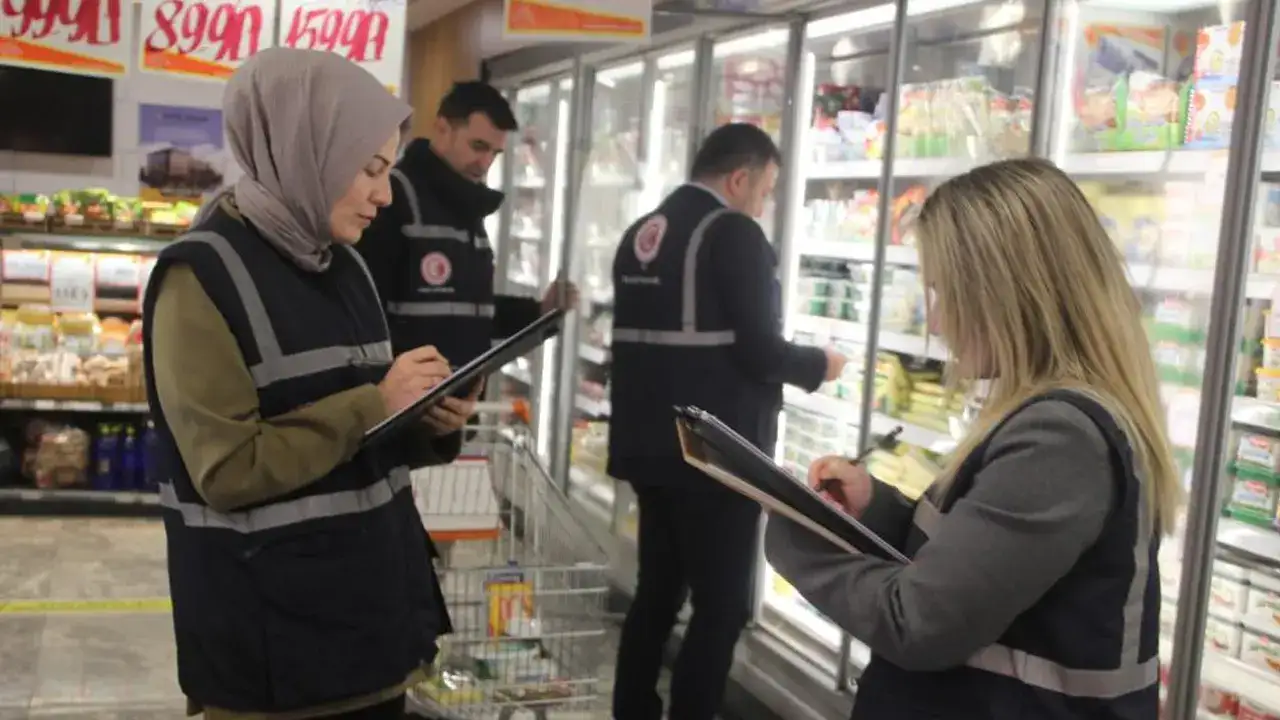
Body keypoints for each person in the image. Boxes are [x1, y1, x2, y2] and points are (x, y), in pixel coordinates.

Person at [766, 157, 1180, 719]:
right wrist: (874, 510)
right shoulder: (1054, 417)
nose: (936, 322)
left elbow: (921, 622)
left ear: (1007, 294)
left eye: (943, 292)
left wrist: (797, 533)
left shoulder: (1059, 439)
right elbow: (984, 564)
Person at [143, 48, 455, 719]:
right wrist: (378, 401)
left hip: (371, 637)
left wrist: (425, 420)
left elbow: (363, 439)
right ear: (301, 147)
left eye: (390, 170)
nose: (384, 193)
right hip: (275, 665)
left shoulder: (343, 264)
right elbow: (226, 470)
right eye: (369, 169)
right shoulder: (200, 279)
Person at [608, 122, 849, 720]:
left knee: (658, 594)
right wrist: (822, 362)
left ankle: (632, 711)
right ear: (739, 179)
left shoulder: (644, 231)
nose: (763, 205)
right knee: (721, 606)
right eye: (765, 191)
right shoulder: (732, 232)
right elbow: (762, 352)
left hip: (648, 445)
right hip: (715, 454)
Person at [357, 80, 576, 449]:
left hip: (452, 421)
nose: (485, 162)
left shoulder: (467, 211)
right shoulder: (394, 198)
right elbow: (366, 315)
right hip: (399, 424)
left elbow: (471, 310)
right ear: (443, 127)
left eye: (495, 153)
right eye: (478, 146)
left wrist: (540, 312)